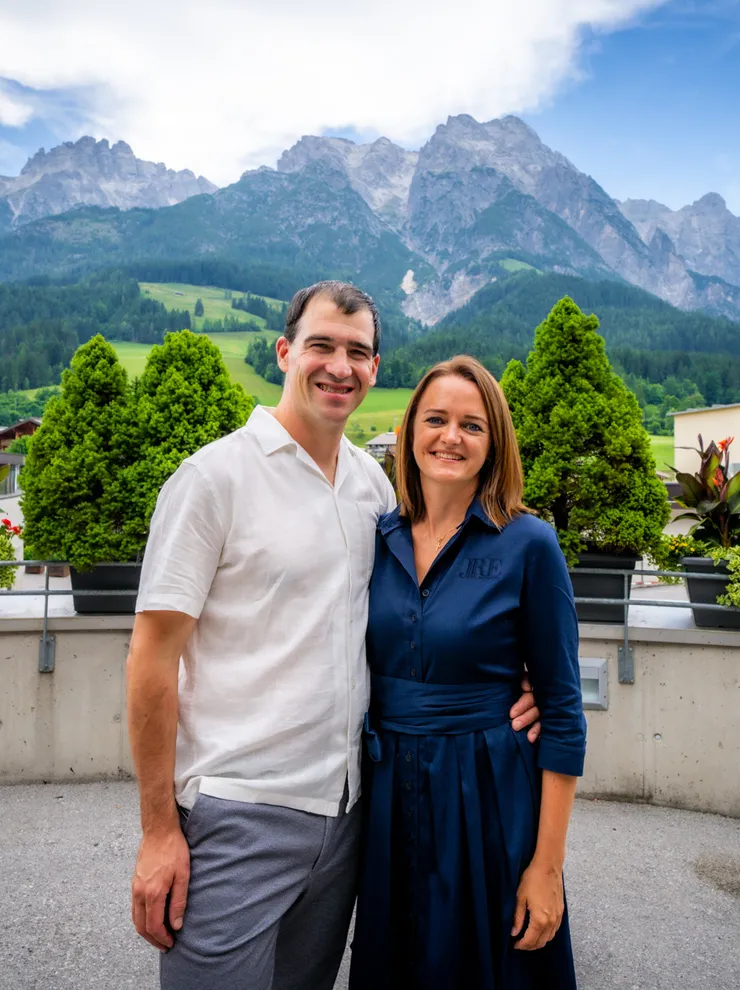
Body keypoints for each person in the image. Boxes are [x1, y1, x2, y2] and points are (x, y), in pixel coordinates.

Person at [126, 282, 541, 990]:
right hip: (238, 811)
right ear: (285, 351)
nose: (339, 366)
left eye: (358, 351)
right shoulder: (212, 479)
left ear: (376, 368)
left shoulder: (374, 491)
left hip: (350, 814)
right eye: (321, 345)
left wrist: (515, 678)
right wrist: (160, 831)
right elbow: (151, 658)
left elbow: (418, 622)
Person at [350, 356, 587, 990]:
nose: (450, 436)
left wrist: (548, 867)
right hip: (388, 791)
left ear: (495, 442)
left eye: (471, 424)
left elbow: (564, 712)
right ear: (409, 432)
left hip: (489, 793)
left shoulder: (529, 543)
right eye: (435, 419)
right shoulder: (377, 536)